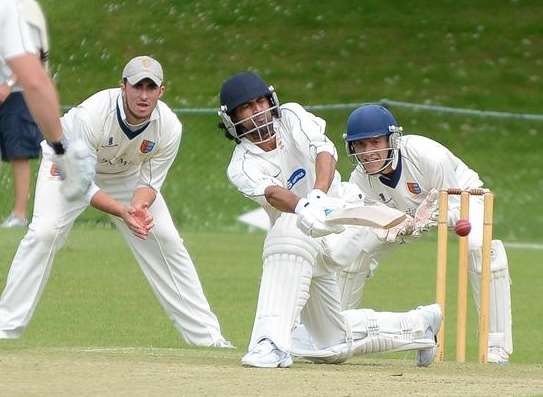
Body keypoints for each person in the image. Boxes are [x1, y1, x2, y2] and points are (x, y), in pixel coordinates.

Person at [0, 55, 232, 348]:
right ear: (123, 86)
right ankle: (5, 328)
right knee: (45, 232)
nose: (143, 95)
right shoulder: (94, 114)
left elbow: (149, 182)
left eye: (151, 88)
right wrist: (122, 211)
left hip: (126, 173)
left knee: (166, 238)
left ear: (162, 91)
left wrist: (137, 208)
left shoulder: (169, 127)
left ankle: (208, 338)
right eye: (137, 86)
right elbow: (82, 185)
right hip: (67, 165)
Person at [218, 71, 441, 368]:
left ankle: (269, 343)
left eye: (261, 102)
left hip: (338, 214)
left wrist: (318, 195)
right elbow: (272, 194)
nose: (258, 111)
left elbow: (323, 150)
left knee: (291, 231)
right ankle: (420, 324)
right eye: (247, 107)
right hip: (302, 243)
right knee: (330, 345)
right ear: (232, 119)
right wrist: (302, 207)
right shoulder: (241, 166)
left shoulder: (291, 116)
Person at [341, 104, 512, 364]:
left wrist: (427, 217)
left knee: (479, 247)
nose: (368, 153)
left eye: (375, 142)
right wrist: (399, 225)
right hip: (400, 214)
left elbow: (455, 208)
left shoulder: (428, 156)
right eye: (360, 145)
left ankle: (496, 347)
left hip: (461, 196)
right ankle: (334, 334)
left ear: (392, 139)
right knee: (352, 253)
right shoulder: (359, 181)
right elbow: (365, 223)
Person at [0, 0, 93, 200]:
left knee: (18, 153)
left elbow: (35, 71)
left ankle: (19, 213)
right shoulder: (8, 7)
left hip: (12, 94)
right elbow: (35, 81)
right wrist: (62, 151)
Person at [0, 0, 47, 228]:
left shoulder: (22, 12)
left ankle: (19, 215)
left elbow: (36, 56)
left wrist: (8, 84)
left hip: (19, 94)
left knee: (18, 153)